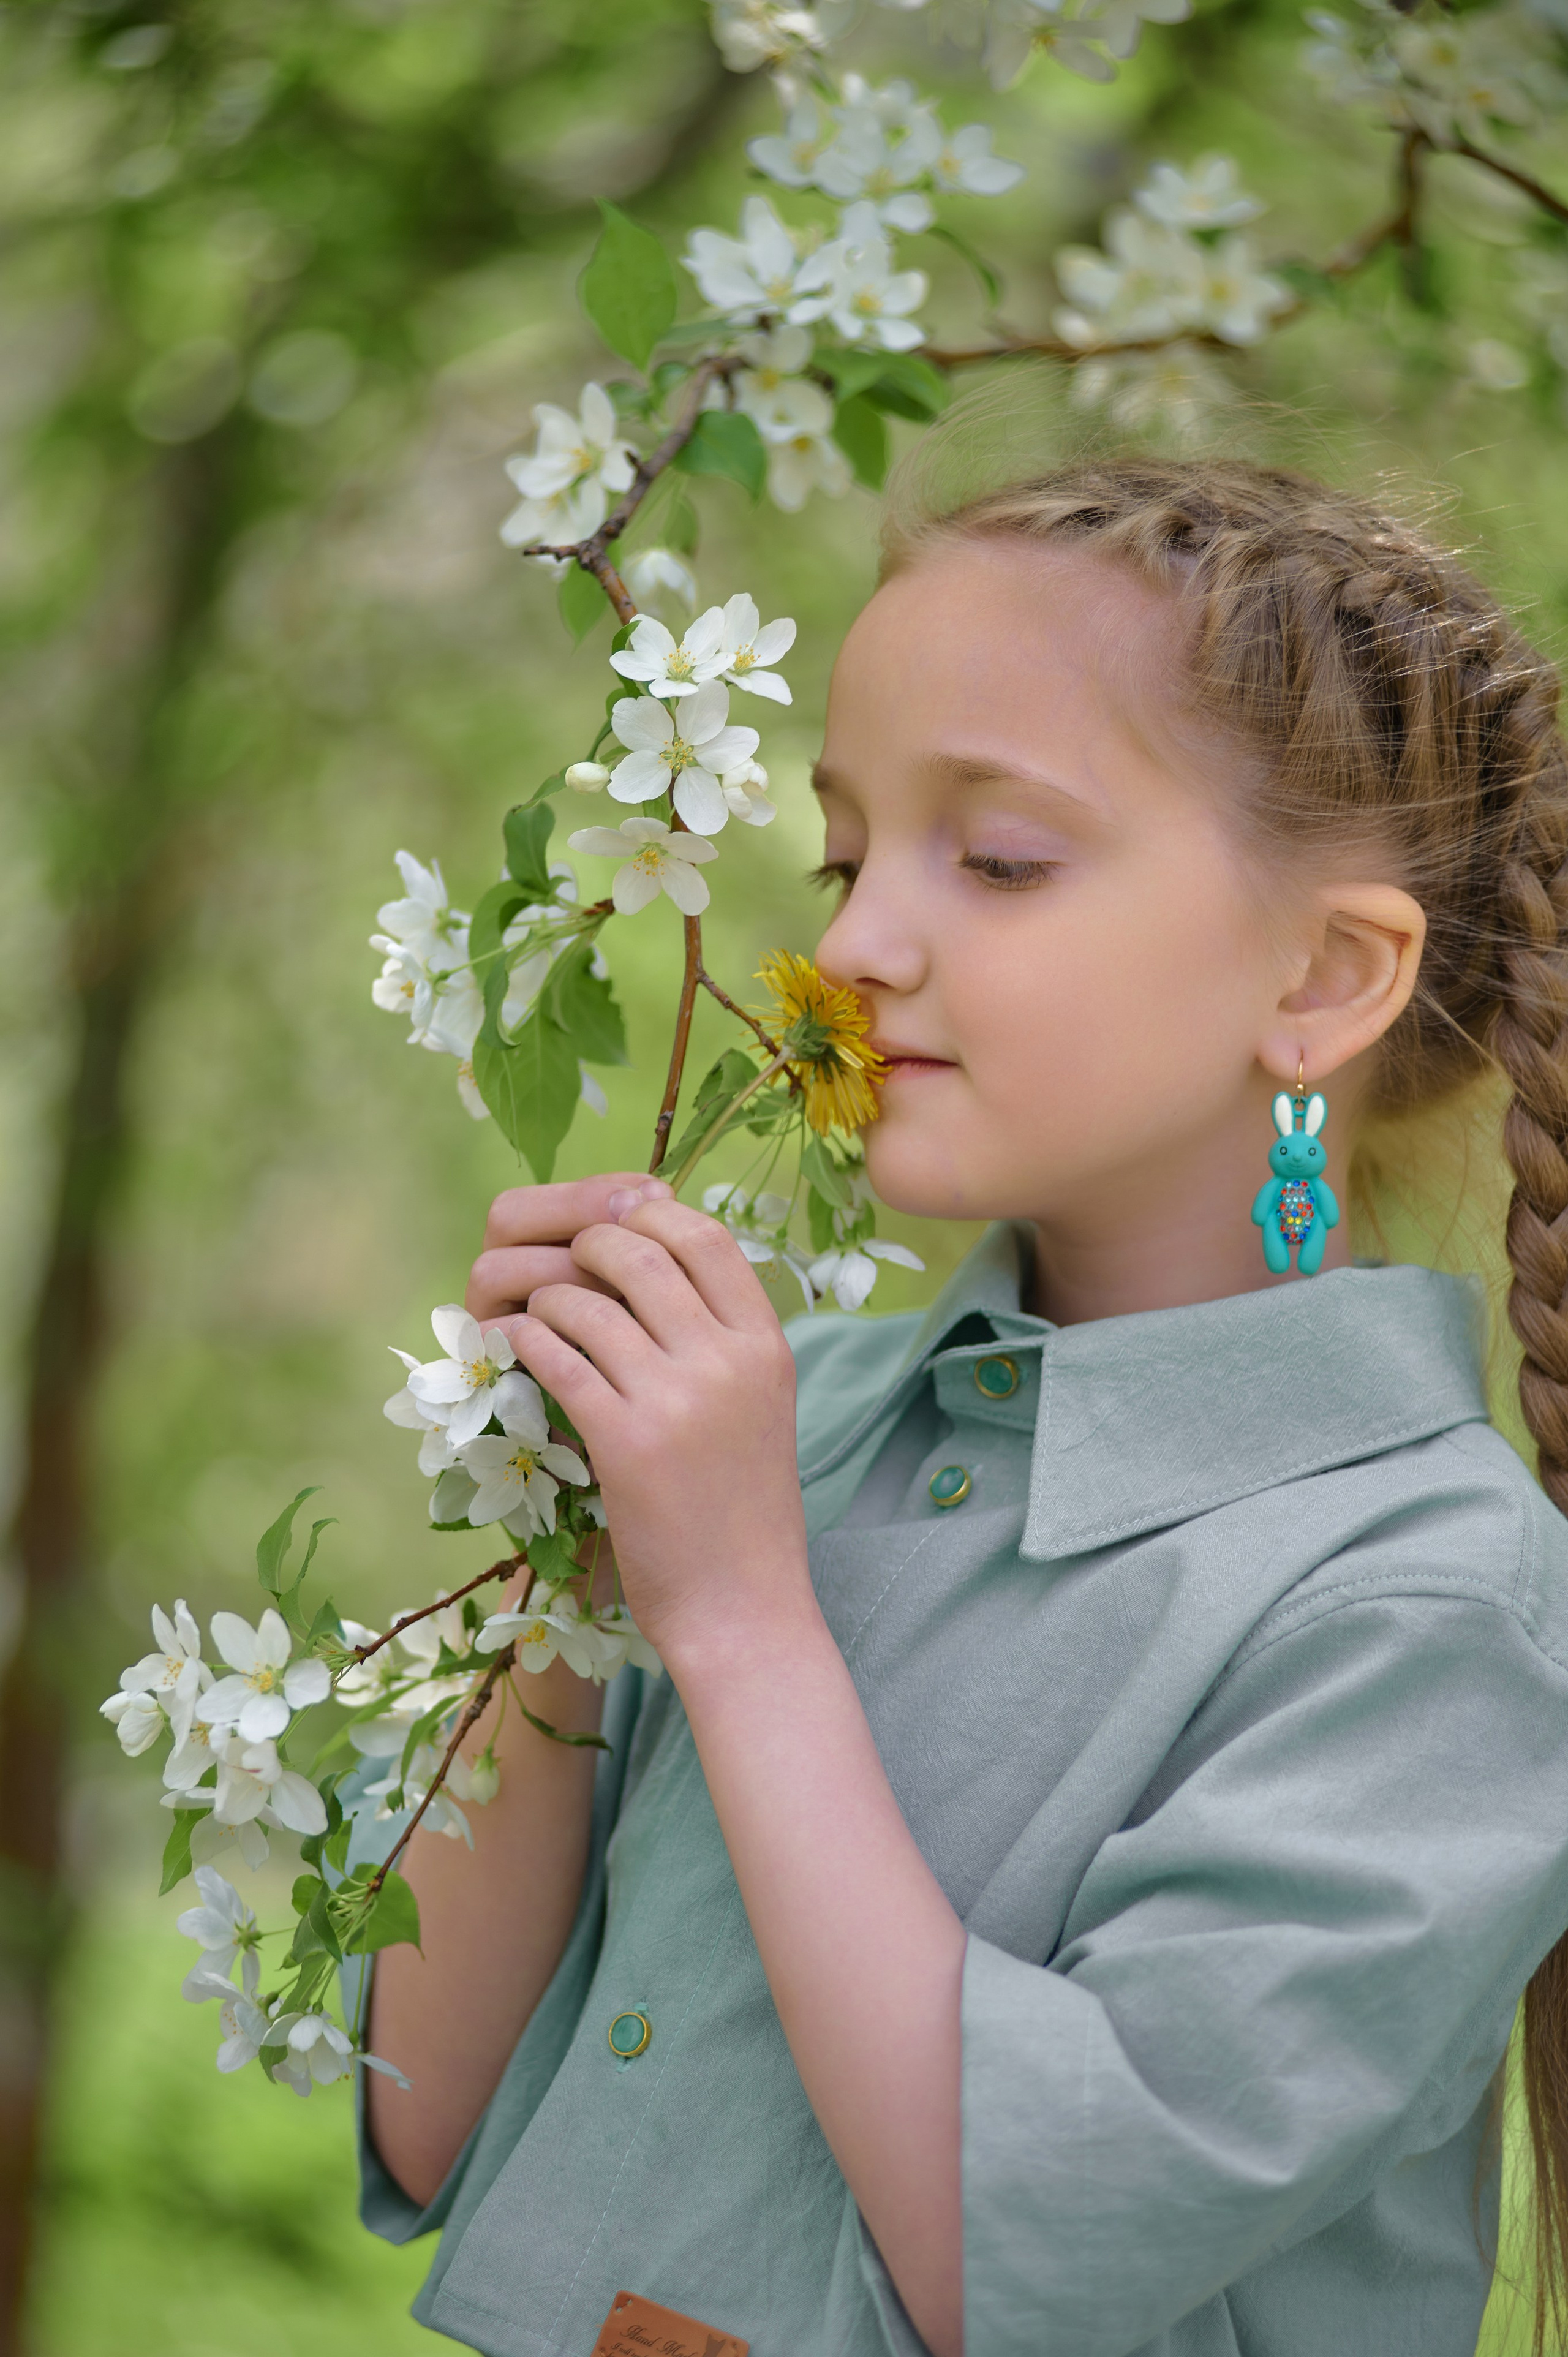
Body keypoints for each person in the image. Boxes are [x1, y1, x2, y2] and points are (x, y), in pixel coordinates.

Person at [356, 456, 1568, 2357]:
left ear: (1326, 976)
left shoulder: (1431, 1605)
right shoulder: (798, 1422)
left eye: (997, 860)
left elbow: (1022, 2252)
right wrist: (580, 1558)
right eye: (846, 859)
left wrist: (740, 1614)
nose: (851, 951)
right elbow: (422, 2115)